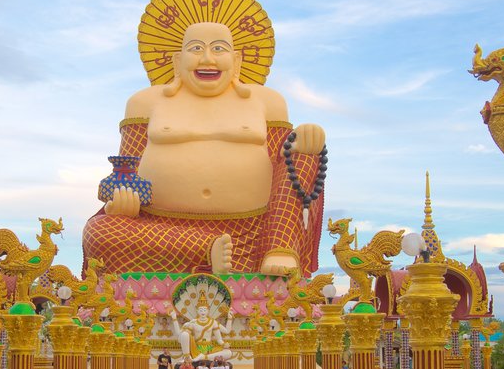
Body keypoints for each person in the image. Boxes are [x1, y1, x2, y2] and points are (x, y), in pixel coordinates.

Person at [82, 17, 328, 276]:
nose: (207, 59)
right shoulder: (146, 102)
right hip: (163, 233)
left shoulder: (267, 102)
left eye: (219, 48)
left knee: (302, 152)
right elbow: (127, 168)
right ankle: (206, 248)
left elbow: (282, 168)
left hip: (252, 234)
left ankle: (279, 249)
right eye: (196, 48)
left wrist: (306, 139)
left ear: (237, 60)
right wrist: (122, 203)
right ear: (178, 61)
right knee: (99, 232)